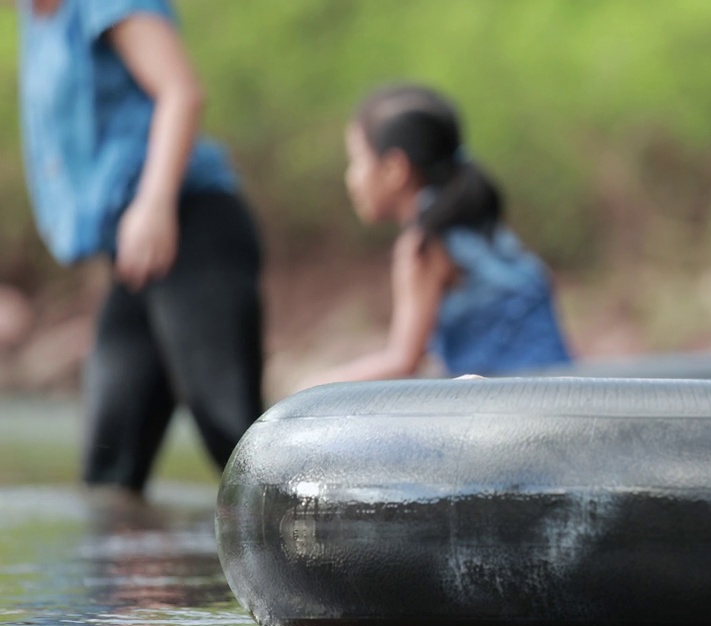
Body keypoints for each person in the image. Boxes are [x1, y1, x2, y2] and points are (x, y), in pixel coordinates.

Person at [16, 0, 265, 496]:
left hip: (188, 224)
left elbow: (181, 92)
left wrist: (154, 204)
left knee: (233, 436)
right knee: (109, 470)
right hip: (133, 255)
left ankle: (333, 550)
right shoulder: (37, 18)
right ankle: (138, 570)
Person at [295, 84, 571, 389]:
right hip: (558, 395)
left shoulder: (422, 249)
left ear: (394, 169)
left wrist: (313, 389)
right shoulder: (480, 228)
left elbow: (402, 362)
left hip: (509, 412)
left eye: (357, 160)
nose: (352, 179)